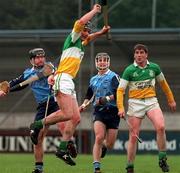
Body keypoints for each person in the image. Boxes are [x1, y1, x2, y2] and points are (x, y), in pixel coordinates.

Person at [29, 3, 110, 166]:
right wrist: (94, 11)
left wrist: (100, 33)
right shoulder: (73, 38)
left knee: (75, 118)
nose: (87, 32)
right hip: (62, 78)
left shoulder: (80, 43)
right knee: (66, 114)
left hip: (69, 81)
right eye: (85, 30)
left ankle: (62, 149)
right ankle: (37, 124)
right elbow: (80, 22)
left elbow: (89, 38)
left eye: (88, 30)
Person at [0, 48, 66, 173]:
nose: (41, 59)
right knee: (37, 139)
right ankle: (38, 167)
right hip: (43, 106)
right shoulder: (27, 73)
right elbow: (18, 83)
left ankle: (66, 148)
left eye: (42, 56)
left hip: (55, 101)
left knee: (64, 127)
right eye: (37, 57)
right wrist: (4, 90)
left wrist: (9, 89)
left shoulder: (49, 66)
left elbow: (45, 74)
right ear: (32, 60)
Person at [116, 44, 176, 173]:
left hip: (151, 102)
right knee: (133, 136)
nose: (139, 55)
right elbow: (120, 90)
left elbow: (164, 85)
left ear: (146, 54)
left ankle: (162, 159)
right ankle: (130, 166)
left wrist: (171, 100)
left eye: (141, 52)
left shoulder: (154, 68)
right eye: (136, 53)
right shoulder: (129, 70)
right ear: (134, 55)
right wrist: (120, 107)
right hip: (135, 103)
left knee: (160, 127)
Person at [79, 52, 120, 173]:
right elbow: (89, 95)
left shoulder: (114, 76)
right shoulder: (93, 79)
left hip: (113, 111)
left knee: (110, 144)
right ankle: (97, 168)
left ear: (108, 62)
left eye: (105, 60)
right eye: (99, 60)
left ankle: (105, 146)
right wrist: (84, 104)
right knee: (99, 137)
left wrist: (106, 99)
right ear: (96, 62)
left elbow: (119, 94)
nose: (102, 62)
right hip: (99, 112)